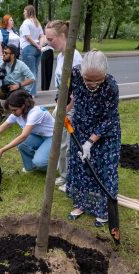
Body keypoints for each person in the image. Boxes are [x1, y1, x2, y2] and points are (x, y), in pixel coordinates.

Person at [66, 50, 121, 227]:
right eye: (88, 79)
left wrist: (90, 142)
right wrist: (63, 111)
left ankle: (103, 210)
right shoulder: (73, 73)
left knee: (104, 170)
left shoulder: (111, 86)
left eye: (98, 80)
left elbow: (109, 119)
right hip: (80, 127)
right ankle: (81, 204)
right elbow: (64, 94)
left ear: (105, 73)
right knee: (81, 167)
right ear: (81, 72)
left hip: (105, 133)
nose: (92, 84)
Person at [0, 89, 54, 172]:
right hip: (39, 135)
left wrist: (2, 150)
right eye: (11, 110)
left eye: (14, 110)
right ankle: (32, 167)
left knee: (40, 162)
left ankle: (53, 163)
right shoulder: (17, 114)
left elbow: (23, 136)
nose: (13, 113)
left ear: (23, 106)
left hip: (53, 136)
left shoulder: (35, 113)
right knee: (22, 145)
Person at [45, 20, 82, 192]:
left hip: (71, 107)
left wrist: (66, 109)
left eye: (50, 39)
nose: (48, 42)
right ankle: (64, 175)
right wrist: (58, 105)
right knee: (59, 142)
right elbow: (60, 85)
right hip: (62, 106)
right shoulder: (60, 56)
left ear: (62, 36)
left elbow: (77, 89)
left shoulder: (73, 57)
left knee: (68, 144)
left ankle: (71, 179)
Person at [0, 44, 34, 123]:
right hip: (6, 88)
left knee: (11, 101)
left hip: (18, 89)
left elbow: (32, 79)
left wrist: (18, 85)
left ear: (13, 55)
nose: (3, 55)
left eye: (6, 53)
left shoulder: (21, 65)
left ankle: (15, 114)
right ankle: (1, 113)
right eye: (3, 52)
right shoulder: (0, 63)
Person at [19, 5, 45, 97]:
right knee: (35, 71)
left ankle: (30, 92)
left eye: (24, 11)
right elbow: (42, 35)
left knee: (29, 71)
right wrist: (40, 45)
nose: (23, 13)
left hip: (28, 48)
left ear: (29, 12)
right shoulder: (37, 23)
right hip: (37, 49)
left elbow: (27, 37)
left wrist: (37, 45)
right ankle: (33, 92)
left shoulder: (26, 22)